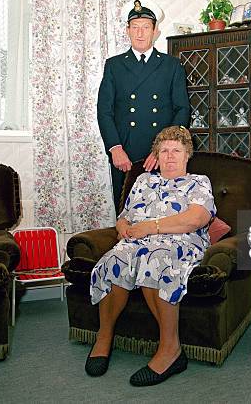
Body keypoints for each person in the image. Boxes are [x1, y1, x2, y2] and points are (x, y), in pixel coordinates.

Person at [85, 126, 215, 386]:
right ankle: (104, 336)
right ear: (156, 154)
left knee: (155, 258)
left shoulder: (198, 182)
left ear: (187, 154)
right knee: (113, 261)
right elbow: (125, 216)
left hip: (180, 242)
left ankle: (171, 349)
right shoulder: (144, 180)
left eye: (176, 150)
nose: (169, 156)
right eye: (164, 150)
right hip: (138, 241)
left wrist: (151, 227)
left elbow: (196, 218)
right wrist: (122, 227)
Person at [97, 0, 190, 212]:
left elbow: (182, 109)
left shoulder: (172, 65)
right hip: (125, 155)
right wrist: (115, 148)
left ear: (155, 31)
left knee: (166, 212)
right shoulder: (114, 65)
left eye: (146, 27)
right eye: (135, 27)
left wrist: (163, 149)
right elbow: (104, 111)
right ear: (127, 30)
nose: (140, 33)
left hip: (163, 154)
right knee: (127, 213)